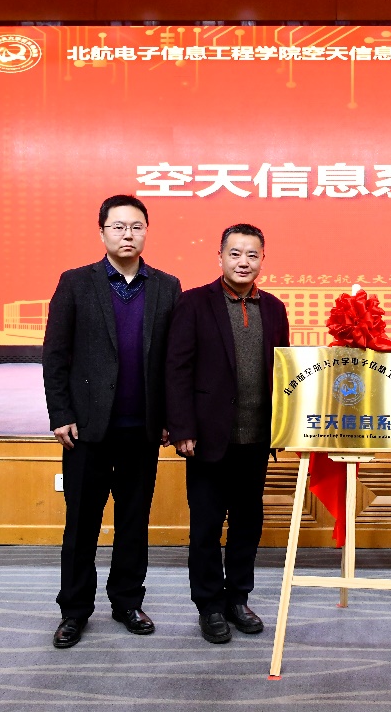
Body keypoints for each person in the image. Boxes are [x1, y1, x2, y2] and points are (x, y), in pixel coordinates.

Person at [43, 195, 182, 648]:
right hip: (87, 430)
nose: (128, 234)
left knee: (134, 523)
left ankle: (126, 602)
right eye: (118, 226)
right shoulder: (75, 283)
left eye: (136, 226)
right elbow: (55, 354)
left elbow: (172, 362)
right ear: (102, 231)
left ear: (146, 232)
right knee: (81, 525)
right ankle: (74, 611)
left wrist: (171, 417)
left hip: (142, 429)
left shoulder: (167, 287)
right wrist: (61, 414)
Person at [165, 223, 290, 644]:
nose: (243, 262)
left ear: (262, 260)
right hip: (207, 438)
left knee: (246, 525)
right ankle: (209, 606)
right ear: (219, 257)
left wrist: (285, 427)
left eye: (252, 255)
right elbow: (177, 369)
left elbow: (284, 373)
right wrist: (182, 427)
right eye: (235, 253)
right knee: (205, 527)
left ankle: (238, 599)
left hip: (255, 439)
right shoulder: (194, 303)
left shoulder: (274, 308)